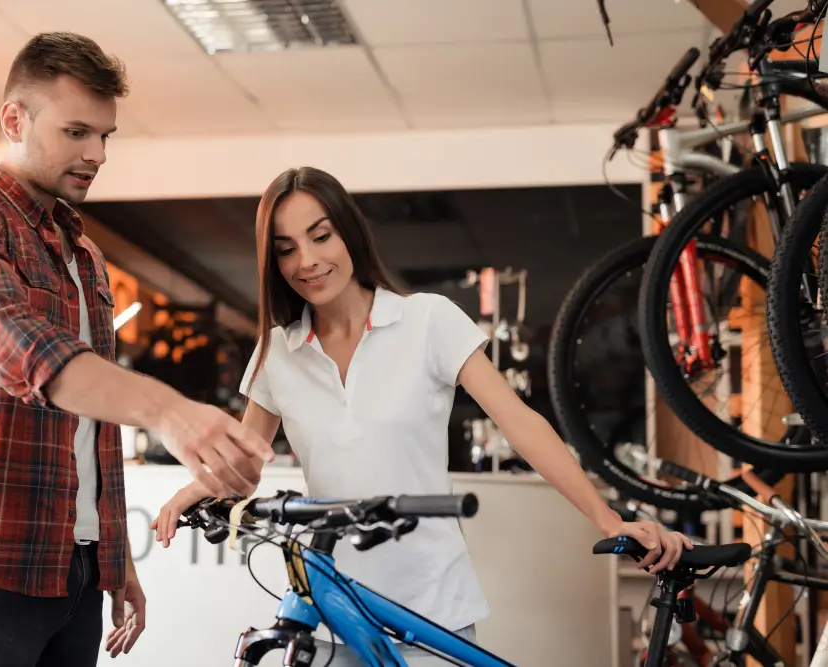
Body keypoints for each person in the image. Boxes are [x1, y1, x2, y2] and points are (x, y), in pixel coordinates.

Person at [150, 166, 693, 665]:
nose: (308, 262)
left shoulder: (426, 320)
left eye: (321, 236)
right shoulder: (278, 352)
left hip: (432, 607)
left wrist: (608, 518)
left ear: (349, 234)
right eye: (286, 249)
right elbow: (245, 461)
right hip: (332, 609)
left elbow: (519, 422)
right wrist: (190, 491)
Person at [0, 32, 272, 667]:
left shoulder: (88, 258)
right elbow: (27, 355)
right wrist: (171, 412)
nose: (97, 153)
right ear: (14, 119)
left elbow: (94, 430)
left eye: (105, 136)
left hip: (76, 571)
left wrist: (117, 559)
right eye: (77, 132)